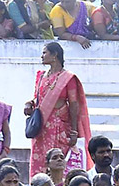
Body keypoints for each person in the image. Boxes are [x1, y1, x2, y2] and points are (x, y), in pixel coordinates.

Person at [27, 41, 90, 175]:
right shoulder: (41, 76)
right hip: (41, 128)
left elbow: (73, 104)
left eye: (45, 53)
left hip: (59, 127)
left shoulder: (67, 78)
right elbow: (36, 98)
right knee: (40, 163)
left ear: (55, 55)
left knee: (58, 162)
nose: (42, 56)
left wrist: (74, 131)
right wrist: (29, 104)